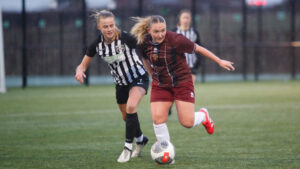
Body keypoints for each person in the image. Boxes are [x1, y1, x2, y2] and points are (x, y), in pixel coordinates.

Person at [130, 15, 235, 162]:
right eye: (156, 31)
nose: (160, 34)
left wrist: (219, 61)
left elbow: (199, 49)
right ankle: (166, 154)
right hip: (161, 85)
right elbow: (145, 59)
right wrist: (152, 74)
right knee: (158, 119)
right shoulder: (143, 42)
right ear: (149, 30)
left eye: (163, 30)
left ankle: (204, 115)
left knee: (187, 122)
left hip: (182, 82)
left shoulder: (176, 39)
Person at [75, 10, 149, 163]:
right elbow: (82, 65)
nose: (109, 29)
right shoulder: (97, 45)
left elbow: (146, 50)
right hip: (120, 83)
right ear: (99, 28)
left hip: (138, 77)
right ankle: (141, 139)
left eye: (111, 25)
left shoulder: (126, 38)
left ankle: (127, 147)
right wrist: (79, 71)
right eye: (105, 26)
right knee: (126, 117)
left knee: (131, 107)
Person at [174, 9, 201, 84]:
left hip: (191, 66)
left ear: (190, 19)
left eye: (187, 18)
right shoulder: (174, 32)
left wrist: (197, 63)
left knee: (190, 89)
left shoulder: (194, 33)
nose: (186, 20)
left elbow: (199, 48)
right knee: (178, 89)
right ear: (180, 19)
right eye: (184, 17)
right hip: (177, 67)